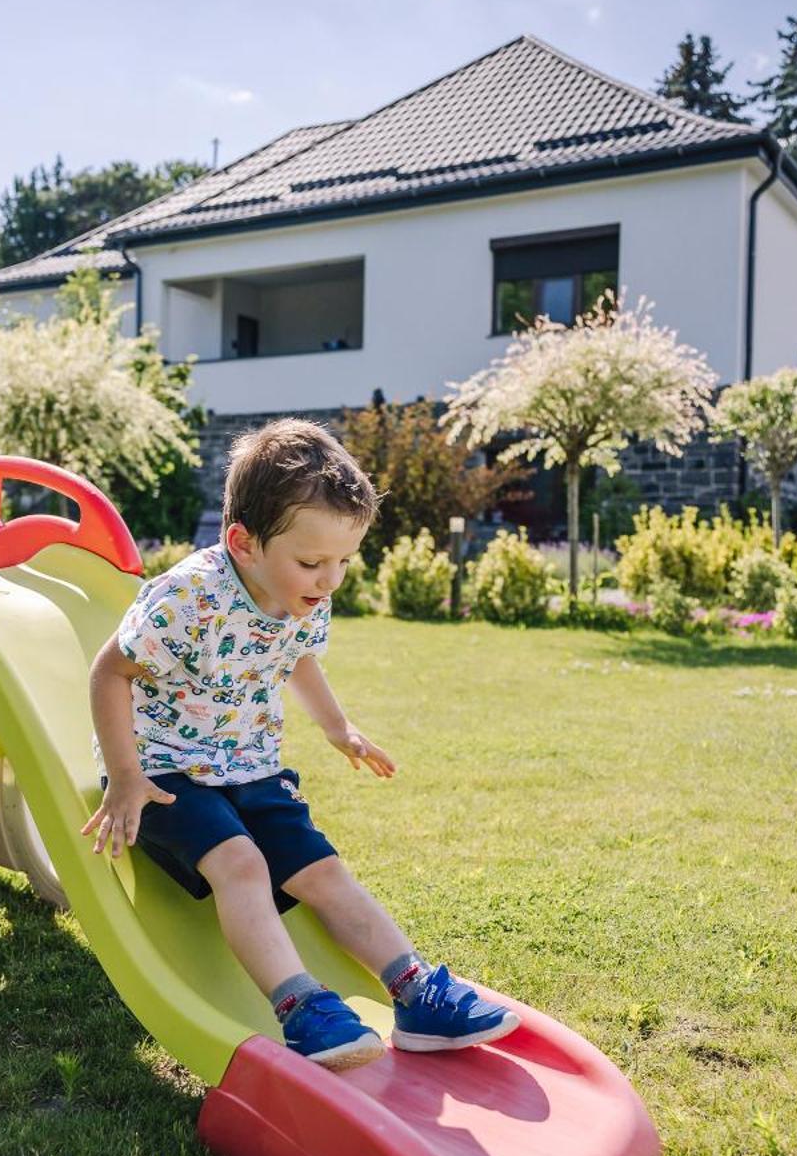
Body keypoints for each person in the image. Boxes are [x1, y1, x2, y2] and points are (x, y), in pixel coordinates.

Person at [82, 420, 517, 1069]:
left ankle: (413, 990)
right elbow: (109, 670)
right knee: (242, 865)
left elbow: (300, 659)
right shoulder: (188, 598)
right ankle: (301, 1009)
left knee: (323, 870)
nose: (329, 580)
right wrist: (124, 774)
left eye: (344, 560)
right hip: (169, 769)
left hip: (251, 765)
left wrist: (339, 728)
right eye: (313, 562)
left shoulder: (304, 595)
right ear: (243, 542)